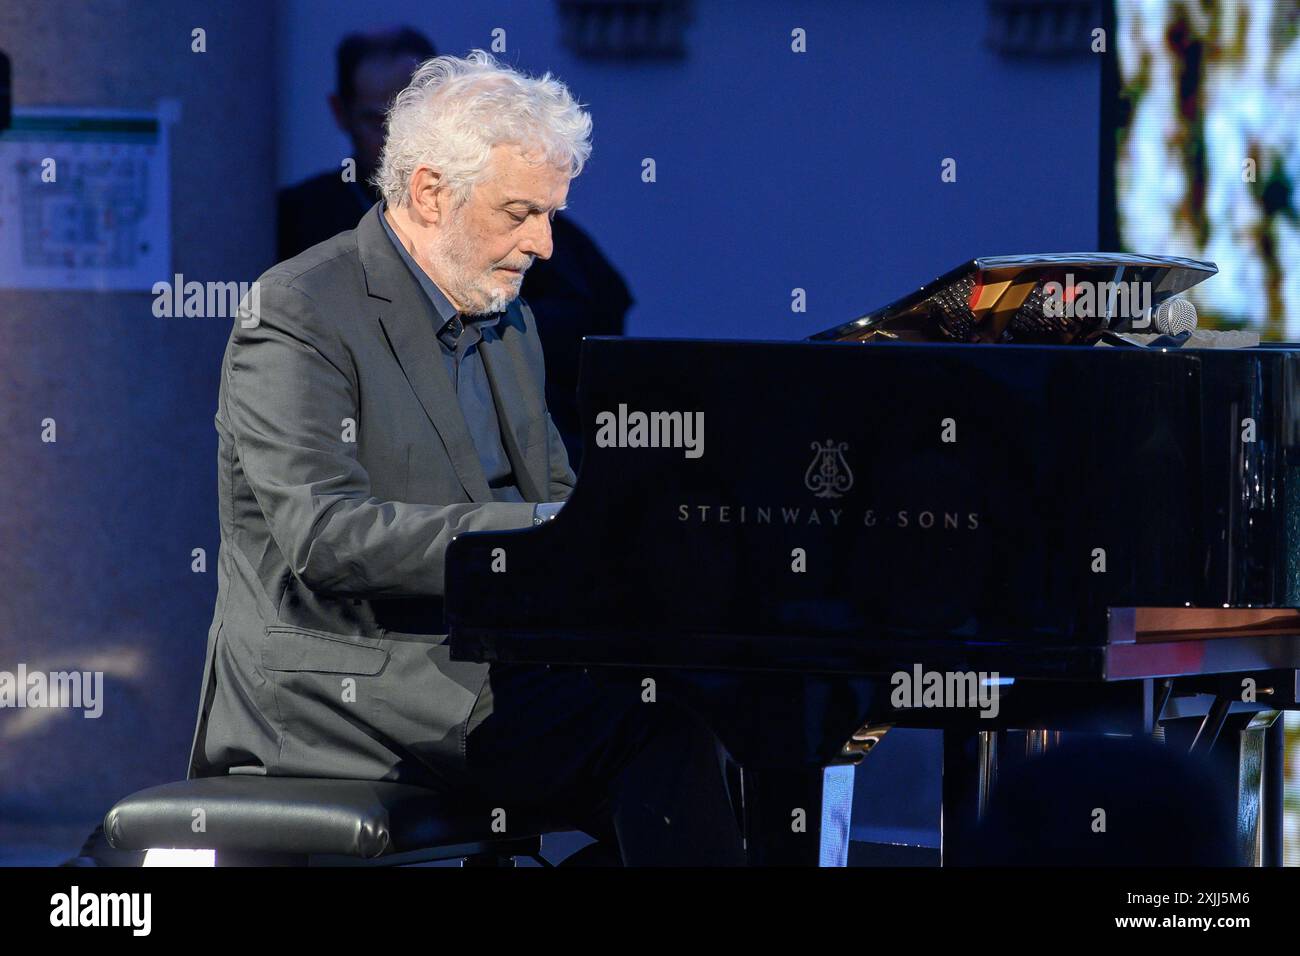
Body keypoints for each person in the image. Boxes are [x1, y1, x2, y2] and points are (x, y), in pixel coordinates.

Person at [190, 50, 744, 866]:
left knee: (712, 705)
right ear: (427, 192)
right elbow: (324, 535)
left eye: (551, 214)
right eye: (520, 212)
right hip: (339, 685)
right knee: (657, 732)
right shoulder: (300, 310)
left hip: (475, 660)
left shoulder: (505, 317)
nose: (546, 245)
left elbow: (556, 493)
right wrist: (545, 531)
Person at [278, 28, 631, 467]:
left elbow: (599, 309)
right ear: (341, 113)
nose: (398, 139)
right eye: (378, 121)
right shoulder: (300, 229)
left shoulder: (523, 251)